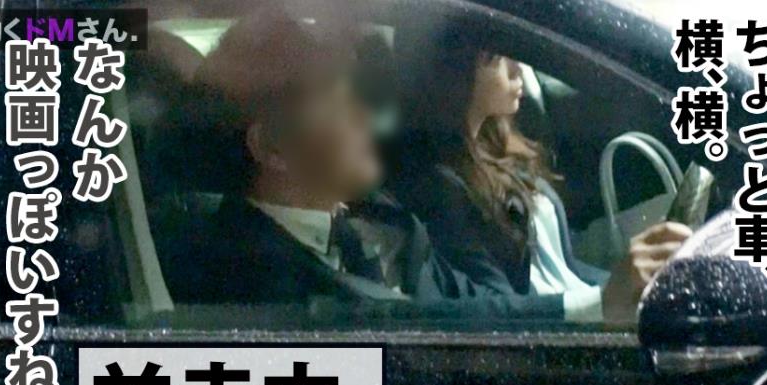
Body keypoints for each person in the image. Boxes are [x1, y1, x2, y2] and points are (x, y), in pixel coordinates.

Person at [195, 8, 569, 321]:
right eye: (338, 104)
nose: (365, 117)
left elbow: (481, 310)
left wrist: (580, 309)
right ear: (272, 145)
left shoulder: (385, 219)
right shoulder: (250, 280)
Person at [392, 34, 692, 323]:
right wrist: (603, 301)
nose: (518, 67)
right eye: (498, 58)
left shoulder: (496, 145)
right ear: (454, 72)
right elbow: (495, 307)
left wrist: (632, 285)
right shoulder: (439, 185)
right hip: (552, 334)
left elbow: (562, 270)